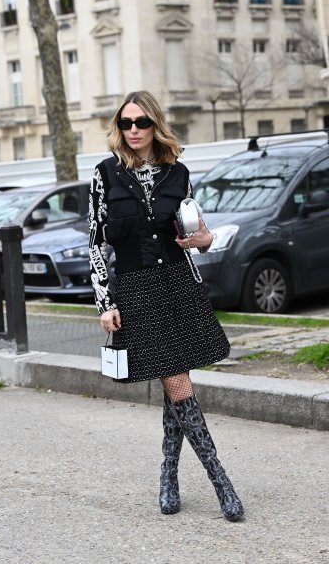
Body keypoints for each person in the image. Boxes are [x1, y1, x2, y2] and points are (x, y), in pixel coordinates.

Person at [88, 90, 244, 522]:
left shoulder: (178, 172)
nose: (133, 130)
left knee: (175, 382)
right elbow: (97, 244)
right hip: (137, 292)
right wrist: (105, 302)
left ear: (156, 125)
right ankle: (222, 484)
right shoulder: (105, 174)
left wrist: (204, 239)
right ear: (118, 128)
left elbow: (198, 228)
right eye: (125, 123)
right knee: (177, 380)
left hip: (179, 282)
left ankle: (168, 476)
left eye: (141, 123)